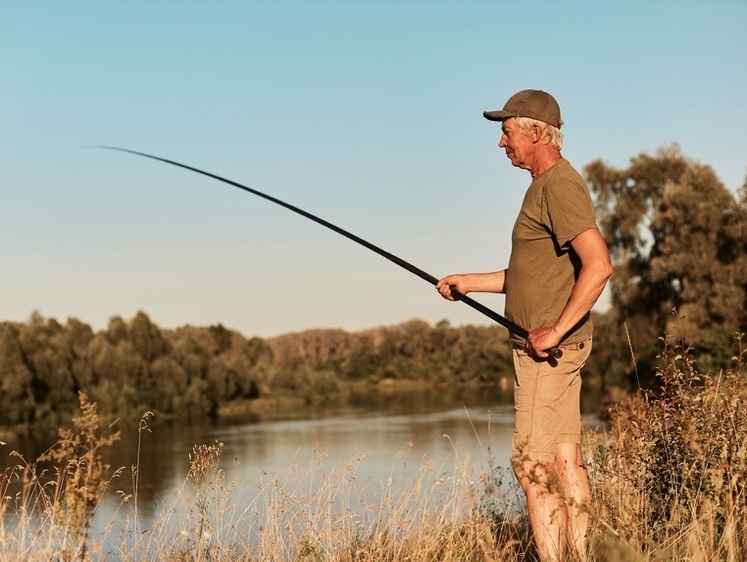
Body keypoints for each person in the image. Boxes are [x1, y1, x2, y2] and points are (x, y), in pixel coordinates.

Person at [436, 89, 613, 561]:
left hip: (546, 354)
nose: (501, 142)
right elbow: (531, 276)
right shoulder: (545, 187)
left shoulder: (557, 185)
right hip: (558, 348)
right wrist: (468, 282)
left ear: (535, 131)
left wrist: (552, 332)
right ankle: (584, 553)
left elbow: (598, 265)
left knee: (530, 465)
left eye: (507, 130)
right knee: (563, 457)